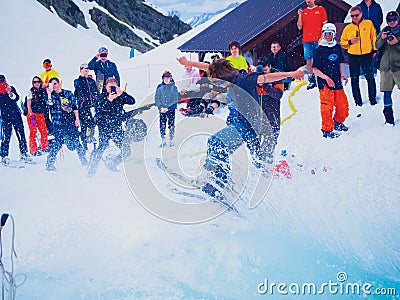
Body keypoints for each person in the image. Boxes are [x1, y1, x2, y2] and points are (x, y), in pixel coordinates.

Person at [176, 57, 304, 197]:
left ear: (223, 77)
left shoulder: (244, 80)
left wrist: (291, 74)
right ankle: (213, 174)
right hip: (243, 122)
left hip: (250, 126)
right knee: (246, 157)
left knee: (215, 142)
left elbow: (266, 78)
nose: (216, 86)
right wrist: (189, 64)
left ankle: (219, 182)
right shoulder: (229, 75)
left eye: (217, 82)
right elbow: (209, 67)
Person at [87, 78, 135, 177]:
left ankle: (112, 163)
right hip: (104, 127)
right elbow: (99, 110)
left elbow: (132, 101)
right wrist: (109, 100)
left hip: (116, 127)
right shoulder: (101, 97)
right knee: (101, 147)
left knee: (126, 150)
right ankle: (91, 171)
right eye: (110, 87)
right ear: (106, 87)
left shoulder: (120, 96)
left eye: (114, 86)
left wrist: (121, 93)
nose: (112, 89)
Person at [313, 23, 350, 139]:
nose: (328, 36)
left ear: (333, 35)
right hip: (324, 83)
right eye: (326, 34)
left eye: (330, 34)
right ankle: (327, 130)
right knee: (327, 107)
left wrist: (342, 75)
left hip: (337, 82)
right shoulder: (319, 50)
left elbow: (339, 63)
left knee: (343, 106)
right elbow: (315, 69)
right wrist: (327, 78)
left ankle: (338, 122)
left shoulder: (337, 47)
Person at [45, 77, 87, 171]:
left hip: (70, 121)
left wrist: (77, 119)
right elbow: (49, 104)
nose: (54, 86)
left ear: (59, 83)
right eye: (52, 84)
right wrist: (49, 93)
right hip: (58, 123)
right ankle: (49, 163)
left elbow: (75, 107)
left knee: (76, 141)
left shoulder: (68, 93)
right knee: (58, 143)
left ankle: (83, 159)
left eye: (55, 84)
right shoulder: (51, 95)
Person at [340, 6, 377, 106]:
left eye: (356, 15)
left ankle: (373, 99)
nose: (354, 17)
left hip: (366, 55)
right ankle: (358, 101)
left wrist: (375, 50)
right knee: (354, 79)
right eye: (352, 16)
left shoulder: (368, 24)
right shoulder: (348, 28)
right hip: (353, 56)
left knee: (370, 77)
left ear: (361, 14)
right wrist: (350, 42)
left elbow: (373, 37)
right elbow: (342, 42)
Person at [0, 75, 31, 164]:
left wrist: (10, 93)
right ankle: (4, 156)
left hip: (16, 115)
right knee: (6, 137)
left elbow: (16, 98)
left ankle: (24, 154)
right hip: (5, 117)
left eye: (3, 80)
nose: (2, 82)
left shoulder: (10, 88)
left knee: (21, 135)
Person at [297, 0, 328, 90]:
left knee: (320, 59)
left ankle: (322, 78)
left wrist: (322, 38)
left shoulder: (320, 9)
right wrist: (299, 15)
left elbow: (325, 24)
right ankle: (312, 80)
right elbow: (299, 26)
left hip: (318, 39)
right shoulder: (304, 12)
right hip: (307, 40)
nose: (308, 1)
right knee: (309, 60)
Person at [376, 11, 400, 125]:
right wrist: (382, 38)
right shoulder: (385, 30)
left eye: (394, 20)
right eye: (389, 20)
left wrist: (397, 42)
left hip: (399, 67)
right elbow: (376, 45)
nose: (392, 22)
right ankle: (389, 119)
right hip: (386, 67)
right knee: (386, 92)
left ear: (398, 20)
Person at [74, 63, 99, 150]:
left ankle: (90, 137)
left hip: (92, 106)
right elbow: (77, 90)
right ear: (80, 70)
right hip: (83, 107)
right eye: (84, 69)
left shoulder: (92, 81)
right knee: (84, 125)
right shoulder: (77, 81)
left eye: (87, 69)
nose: (86, 70)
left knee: (93, 123)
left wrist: (97, 100)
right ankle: (84, 144)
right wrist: (82, 77)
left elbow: (96, 92)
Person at [26, 76, 49, 155]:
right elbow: (28, 104)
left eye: (38, 82)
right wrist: (31, 115)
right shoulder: (31, 91)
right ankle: (33, 150)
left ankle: (44, 147)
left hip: (41, 114)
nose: (36, 83)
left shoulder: (43, 91)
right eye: (34, 82)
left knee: (44, 131)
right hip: (33, 114)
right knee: (33, 132)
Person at [155, 71, 178, 147]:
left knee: (171, 125)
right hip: (162, 110)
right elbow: (157, 98)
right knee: (162, 124)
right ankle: (163, 140)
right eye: (165, 78)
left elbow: (175, 99)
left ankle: (171, 140)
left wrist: (168, 107)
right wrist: (160, 107)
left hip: (170, 109)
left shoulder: (174, 87)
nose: (166, 79)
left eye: (168, 78)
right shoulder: (159, 87)